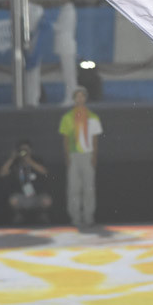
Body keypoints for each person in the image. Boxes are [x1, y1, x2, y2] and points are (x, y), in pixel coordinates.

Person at [59, 86, 102, 227]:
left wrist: (94, 155)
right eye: (77, 96)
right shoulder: (67, 117)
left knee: (89, 188)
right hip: (74, 155)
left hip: (87, 155)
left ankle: (88, 217)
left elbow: (95, 139)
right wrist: (67, 156)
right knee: (73, 188)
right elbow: (65, 139)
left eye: (82, 96)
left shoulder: (93, 117)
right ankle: (75, 218)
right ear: (73, 99)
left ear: (85, 98)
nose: (79, 99)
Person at [0, 139, 52, 224]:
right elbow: (2, 173)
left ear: (31, 150)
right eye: (22, 150)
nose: (24, 152)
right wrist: (12, 158)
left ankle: (42, 214)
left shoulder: (37, 160)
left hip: (36, 195)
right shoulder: (15, 163)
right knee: (13, 200)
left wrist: (29, 161)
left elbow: (44, 172)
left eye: (26, 149)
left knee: (47, 200)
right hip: (21, 196)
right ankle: (18, 215)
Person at [53, 0, 78, 105]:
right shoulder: (66, 10)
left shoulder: (69, 11)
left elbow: (61, 28)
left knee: (69, 75)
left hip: (66, 46)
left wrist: (49, 25)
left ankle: (71, 98)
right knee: (68, 74)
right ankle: (71, 97)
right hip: (65, 46)